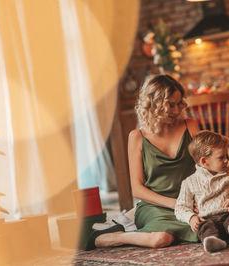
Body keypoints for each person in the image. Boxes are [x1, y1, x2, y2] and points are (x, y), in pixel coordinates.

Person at [85, 74, 200, 250]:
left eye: (179, 104)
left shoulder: (190, 126)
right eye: (171, 104)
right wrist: (174, 203)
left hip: (190, 203)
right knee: (160, 239)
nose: (177, 111)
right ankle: (116, 237)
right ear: (153, 104)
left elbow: (205, 166)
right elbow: (137, 189)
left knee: (210, 229)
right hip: (156, 206)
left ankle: (130, 228)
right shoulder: (137, 137)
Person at [175, 130, 229, 252]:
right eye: (221, 157)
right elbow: (180, 207)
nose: (226, 160)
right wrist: (191, 217)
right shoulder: (189, 182)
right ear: (204, 161)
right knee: (204, 227)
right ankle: (213, 241)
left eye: (226, 156)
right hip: (207, 218)